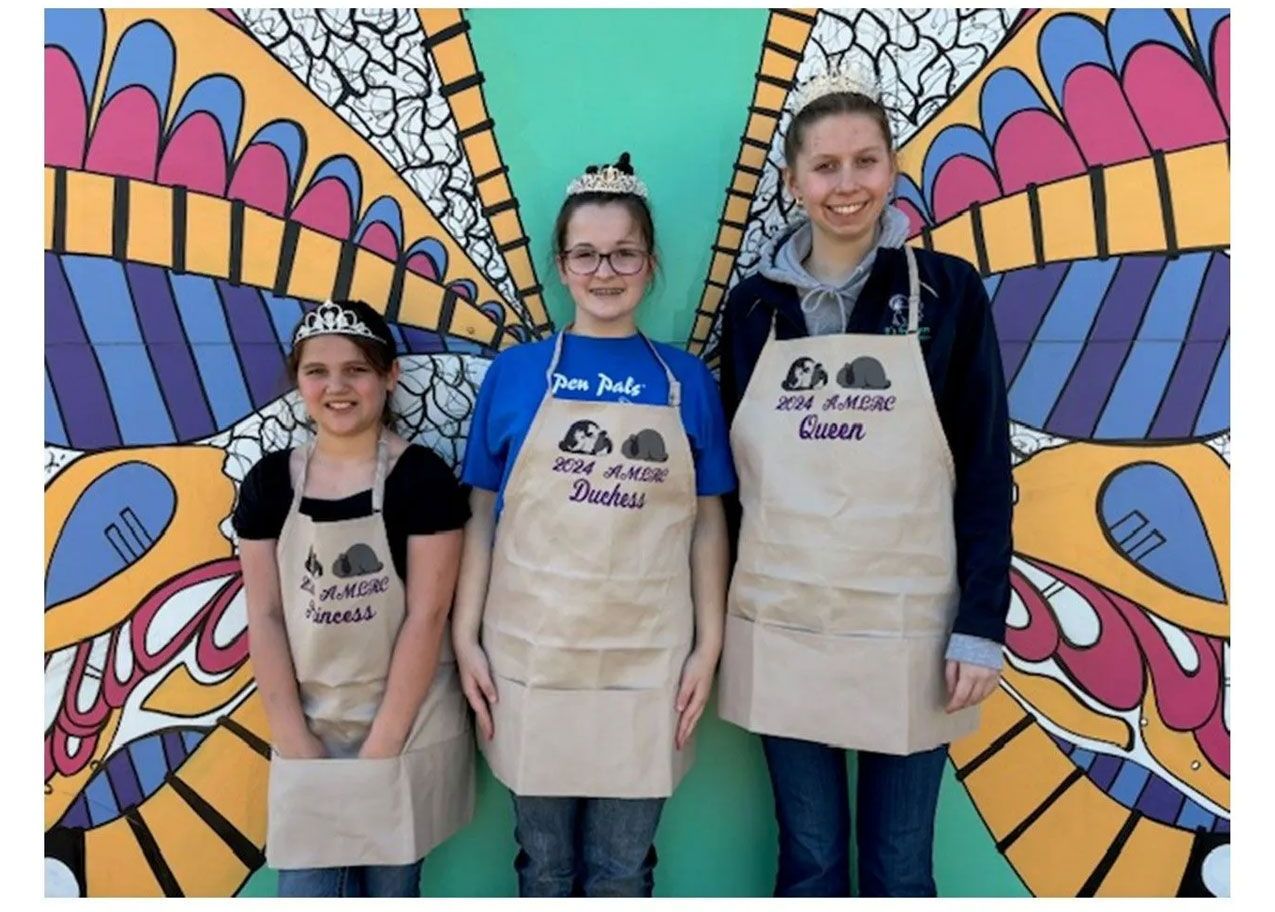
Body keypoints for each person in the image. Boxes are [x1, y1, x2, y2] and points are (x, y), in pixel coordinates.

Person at [716, 63, 1013, 897]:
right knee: (808, 858)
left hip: (911, 627)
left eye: (865, 162)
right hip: (783, 618)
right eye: (824, 166)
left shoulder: (945, 291)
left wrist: (980, 621)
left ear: (890, 168)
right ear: (792, 181)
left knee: (897, 865)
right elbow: (734, 486)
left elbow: (984, 465)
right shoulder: (752, 309)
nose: (846, 186)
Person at [453, 153, 735, 897]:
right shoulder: (513, 375)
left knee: (623, 867)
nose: (604, 270)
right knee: (542, 865)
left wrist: (709, 645)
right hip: (529, 659)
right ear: (560, 263)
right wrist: (464, 635)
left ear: (648, 261)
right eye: (585, 253)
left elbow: (707, 523)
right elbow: (481, 516)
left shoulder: (687, 381)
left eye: (623, 252)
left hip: (648, 663)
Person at [234, 299, 475, 897]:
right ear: (298, 382)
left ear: (389, 377)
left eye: (357, 370)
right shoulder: (268, 483)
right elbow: (263, 614)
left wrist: (383, 746)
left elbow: (428, 615)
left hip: (403, 727)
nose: (336, 387)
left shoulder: (422, 479)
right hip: (308, 727)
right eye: (317, 371)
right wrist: (293, 737)